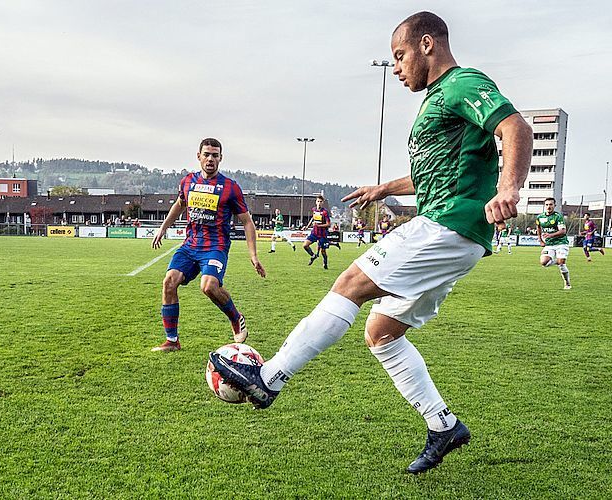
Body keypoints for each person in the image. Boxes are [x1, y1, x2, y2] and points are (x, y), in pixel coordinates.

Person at [209, 11, 532, 475]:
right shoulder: (439, 100)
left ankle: (269, 379)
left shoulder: (462, 84)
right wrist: (384, 189)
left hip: (449, 224)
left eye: (399, 57)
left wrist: (509, 188)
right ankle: (443, 425)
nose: (397, 69)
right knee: (381, 333)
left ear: (426, 45)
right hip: (452, 230)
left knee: (350, 283)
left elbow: (515, 127)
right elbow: (433, 172)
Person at [150, 138, 266, 352]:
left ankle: (236, 318)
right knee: (169, 282)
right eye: (206, 154)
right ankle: (172, 341)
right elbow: (179, 204)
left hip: (215, 246)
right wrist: (163, 227)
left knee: (209, 286)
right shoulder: (187, 182)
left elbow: (247, 221)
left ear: (220, 158)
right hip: (190, 245)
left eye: (215, 155)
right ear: (199, 156)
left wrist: (253, 254)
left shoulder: (230, 187)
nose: (210, 159)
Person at [536, 198, 571, 289]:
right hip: (549, 245)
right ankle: (558, 261)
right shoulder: (540, 217)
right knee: (544, 263)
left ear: (554, 206)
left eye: (551, 204)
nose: (549, 206)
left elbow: (563, 231)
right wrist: (540, 240)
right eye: (547, 204)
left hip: (561, 243)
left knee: (562, 264)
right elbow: (538, 228)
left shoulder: (558, 216)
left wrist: (550, 235)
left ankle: (567, 283)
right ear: (545, 206)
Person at [302, 196, 332, 269]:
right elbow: (313, 218)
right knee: (305, 245)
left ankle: (325, 263)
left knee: (323, 251)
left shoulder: (325, 212)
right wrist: (307, 226)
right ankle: (313, 255)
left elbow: (328, 224)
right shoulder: (314, 210)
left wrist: (319, 225)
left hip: (322, 234)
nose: (319, 203)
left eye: (320, 202)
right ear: (316, 202)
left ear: (323, 203)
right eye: (318, 201)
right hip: (314, 233)